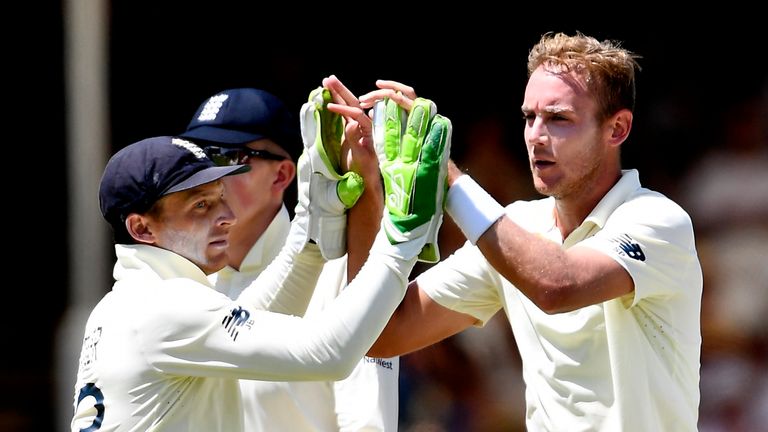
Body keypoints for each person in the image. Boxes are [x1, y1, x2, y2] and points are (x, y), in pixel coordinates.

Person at [365, 32, 703, 431]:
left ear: (617, 129)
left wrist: (444, 175)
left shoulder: (659, 219)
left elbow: (558, 286)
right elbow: (382, 333)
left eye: (558, 119)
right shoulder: (516, 227)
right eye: (529, 117)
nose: (535, 136)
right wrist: (365, 187)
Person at [70, 122, 450, 430]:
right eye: (201, 205)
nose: (227, 217)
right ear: (142, 228)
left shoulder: (129, 303)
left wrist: (312, 222)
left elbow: (256, 313)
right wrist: (400, 239)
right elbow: (328, 354)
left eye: (221, 197)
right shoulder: (164, 307)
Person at [177, 83, 399, 431]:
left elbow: (368, 422)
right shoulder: (181, 285)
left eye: (225, 157)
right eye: (196, 158)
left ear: (281, 175)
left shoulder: (341, 271)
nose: (206, 176)